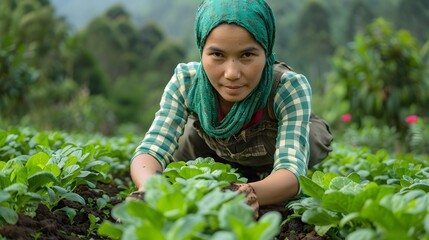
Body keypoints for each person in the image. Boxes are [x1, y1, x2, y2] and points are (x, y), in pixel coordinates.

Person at [129, 0, 333, 217]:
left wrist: (250, 193)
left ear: (266, 52)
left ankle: (263, 177)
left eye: (247, 55)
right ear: (201, 51)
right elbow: (152, 148)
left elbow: (291, 171)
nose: (232, 73)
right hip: (215, 149)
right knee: (186, 141)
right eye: (217, 55)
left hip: (272, 150)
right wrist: (149, 187)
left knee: (310, 138)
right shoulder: (186, 82)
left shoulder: (287, 87)